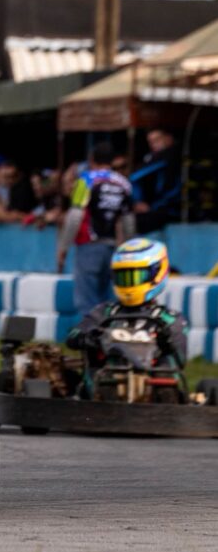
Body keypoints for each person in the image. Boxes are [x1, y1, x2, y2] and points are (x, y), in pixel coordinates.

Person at [66, 238, 186, 398]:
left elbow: (180, 358)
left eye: (136, 276)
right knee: (96, 366)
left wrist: (166, 342)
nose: (129, 284)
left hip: (153, 382)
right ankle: (98, 398)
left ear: (157, 273)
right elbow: (73, 335)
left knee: (166, 369)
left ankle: (167, 406)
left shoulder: (169, 318)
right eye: (124, 277)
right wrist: (89, 338)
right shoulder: (105, 312)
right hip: (108, 377)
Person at [56, 142, 135, 318]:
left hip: (88, 245)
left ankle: (91, 340)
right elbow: (128, 220)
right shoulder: (124, 184)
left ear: (92, 160)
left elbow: (74, 216)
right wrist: (128, 249)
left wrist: (63, 247)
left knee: (87, 300)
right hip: (114, 248)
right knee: (109, 298)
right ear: (113, 161)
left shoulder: (86, 181)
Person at [131, 129, 181, 233]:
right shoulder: (152, 157)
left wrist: (149, 206)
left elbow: (135, 177)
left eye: (157, 140)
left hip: (169, 209)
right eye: (150, 141)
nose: (154, 144)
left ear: (168, 138)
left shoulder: (170, 155)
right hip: (158, 207)